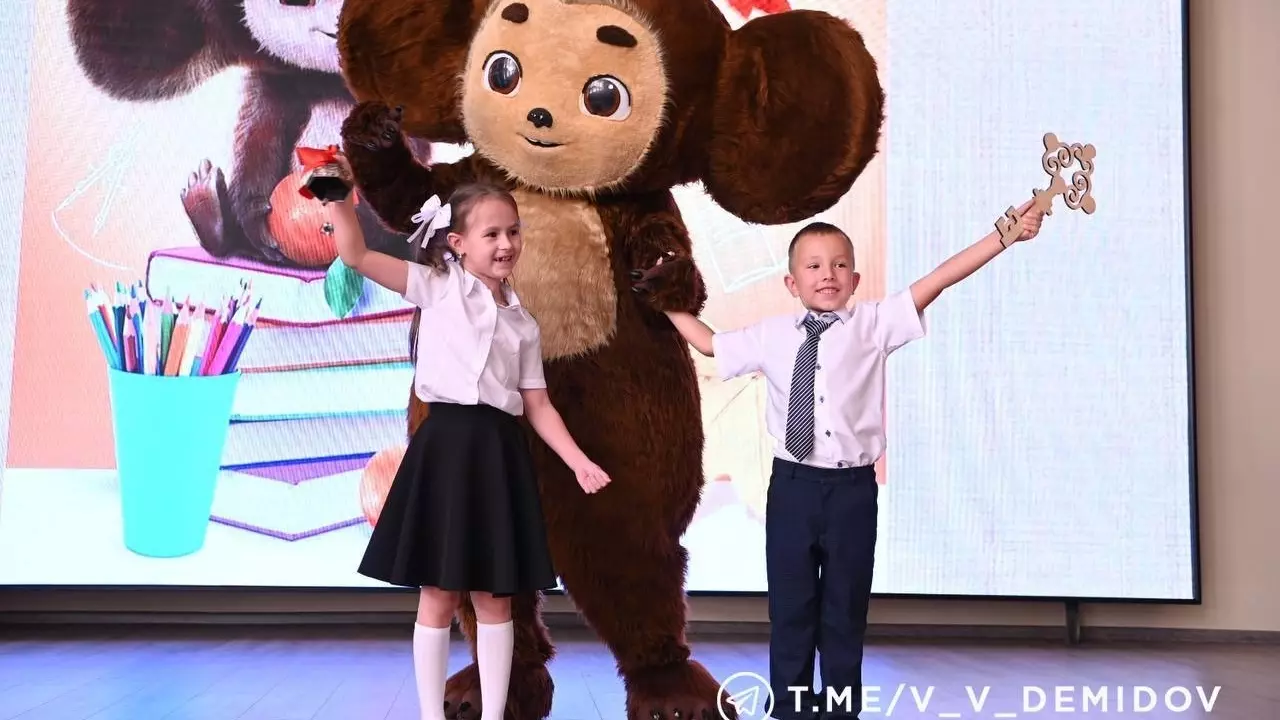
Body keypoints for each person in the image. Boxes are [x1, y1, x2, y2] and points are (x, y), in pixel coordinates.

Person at [659, 201, 1045, 719]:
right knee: (791, 612)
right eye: (814, 266)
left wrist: (1003, 239)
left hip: (851, 494)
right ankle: (789, 712)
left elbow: (938, 280)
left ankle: (843, 713)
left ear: (856, 278)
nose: (828, 275)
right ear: (791, 283)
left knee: (843, 615)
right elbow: (710, 345)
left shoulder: (875, 324)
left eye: (840, 264)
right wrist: (664, 305)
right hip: (792, 489)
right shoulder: (771, 335)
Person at [325, 163, 613, 720]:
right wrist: (339, 200)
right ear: (457, 243)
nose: (506, 243)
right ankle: (431, 714)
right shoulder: (434, 286)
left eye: (513, 231)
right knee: (438, 591)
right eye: (492, 234)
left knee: (495, 596)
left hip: (500, 453)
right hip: (446, 449)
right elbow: (357, 255)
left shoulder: (523, 322)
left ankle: (493, 713)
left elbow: (537, 404)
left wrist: (578, 461)